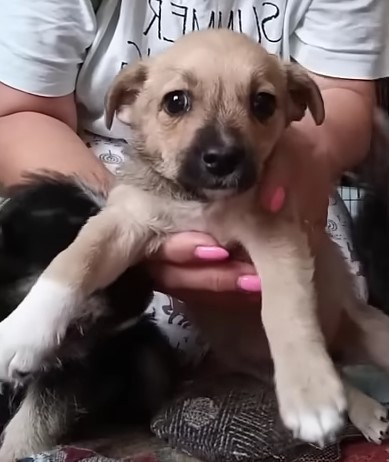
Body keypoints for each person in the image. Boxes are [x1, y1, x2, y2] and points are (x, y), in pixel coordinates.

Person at [0, 0, 387, 365]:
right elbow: (24, 112)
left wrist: (309, 162)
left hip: (277, 158)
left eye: (261, 102)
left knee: (323, 299)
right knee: (86, 317)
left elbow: (342, 93)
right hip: (103, 160)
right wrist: (129, 220)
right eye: (178, 102)